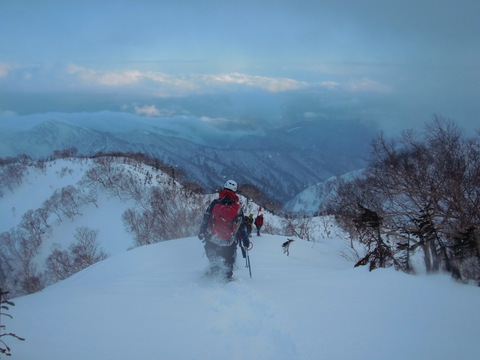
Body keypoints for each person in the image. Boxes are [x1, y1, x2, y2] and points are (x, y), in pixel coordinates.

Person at [198, 180, 250, 281]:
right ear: (235, 191)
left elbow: (206, 217)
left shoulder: (215, 203)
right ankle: (227, 277)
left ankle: (213, 273)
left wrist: (202, 230)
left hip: (213, 237)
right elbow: (241, 225)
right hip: (228, 240)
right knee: (228, 259)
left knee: (213, 255)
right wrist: (245, 239)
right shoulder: (237, 207)